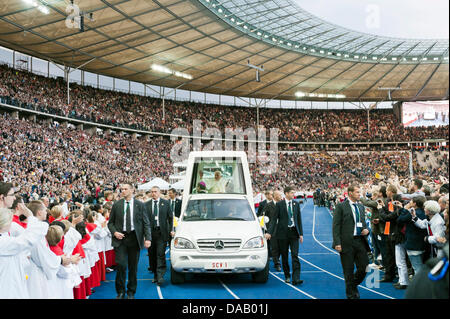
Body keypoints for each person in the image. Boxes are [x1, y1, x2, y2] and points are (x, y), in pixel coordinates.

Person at [107, 182, 151, 299]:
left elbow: (146, 223)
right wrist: (115, 232)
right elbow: (110, 223)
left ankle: (131, 292)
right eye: (122, 189)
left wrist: (148, 238)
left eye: (126, 189)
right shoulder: (117, 205)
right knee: (121, 265)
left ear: (132, 190)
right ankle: (120, 291)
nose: (123, 191)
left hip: (134, 238)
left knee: (133, 267)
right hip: (120, 239)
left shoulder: (140, 205)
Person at [0, 204, 49, 298]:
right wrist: (31, 217)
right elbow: (28, 239)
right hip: (7, 287)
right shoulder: (3, 242)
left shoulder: (5, 238)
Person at [332, 184, 370, 299]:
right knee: (348, 270)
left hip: (359, 241)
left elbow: (363, 223)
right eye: (357, 192)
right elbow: (336, 226)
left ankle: (351, 286)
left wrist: (366, 230)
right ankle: (351, 295)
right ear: (350, 193)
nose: (360, 194)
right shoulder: (341, 206)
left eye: (360, 192)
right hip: (346, 242)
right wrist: (337, 242)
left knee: (365, 267)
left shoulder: (361, 207)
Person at [266, 186, 303, 285]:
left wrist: (301, 234)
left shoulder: (296, 204)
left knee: (295, 256)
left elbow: (298, 219)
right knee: (285, 256)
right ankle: (287, 276)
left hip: (294, 233)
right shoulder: (279, 205)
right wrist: (269, 232)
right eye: (291, 193)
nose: (293, 195)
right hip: (282, 234)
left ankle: (296, 278)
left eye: (294, 193)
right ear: (286, 193)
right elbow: (273, 219)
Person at [145, 186, 174, 286]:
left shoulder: (165, 203)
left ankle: (160, 276)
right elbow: (144, 221)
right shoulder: (146, 204)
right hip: (151, 233)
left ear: (159, 192)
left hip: (162, 233)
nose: (153, 193)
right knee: (152, 255)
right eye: (152, 192)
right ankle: (155, 274)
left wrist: (171, 230)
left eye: (155, 192)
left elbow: (170, 218)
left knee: (160, 254)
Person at [397, 196, 428, 278]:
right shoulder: (425, 212)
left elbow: (400, 220)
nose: (409, 202)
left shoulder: (412, 213)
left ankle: (420, 288)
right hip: (423, 244)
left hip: (413, 244)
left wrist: (404, 209)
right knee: (421, 267)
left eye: (411, 201)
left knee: (417, 268)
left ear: (415, 203)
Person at [265, 190, 282, 271]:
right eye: (279, 195)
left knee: (281, 247)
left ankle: (277, 260)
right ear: (275, 196)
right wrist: (268, 230)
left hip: (282, 229)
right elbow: (263, 217)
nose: (281, 197)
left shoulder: (282, 205)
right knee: (274, 247)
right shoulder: (268, 205)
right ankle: (277, 263)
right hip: (272, 229)